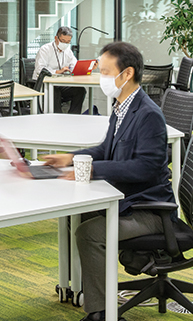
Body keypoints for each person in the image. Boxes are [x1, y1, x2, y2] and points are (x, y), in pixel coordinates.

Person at [43, 42, 174, 321]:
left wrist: (91, 170)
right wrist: (71, 158)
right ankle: (88, 290)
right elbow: (106, 149)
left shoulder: (148, 114)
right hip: (127, 199)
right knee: (76, 215)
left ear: (127, 74)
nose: (100, 77)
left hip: (149, 209)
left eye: (105, 72)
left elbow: (146, 168)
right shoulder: (121, 107)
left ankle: (103, 313)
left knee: (89, 233)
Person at [34, 26, 86, 113]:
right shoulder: (45, 49)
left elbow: (74, 65)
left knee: (80, 90)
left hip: (60, 84)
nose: (65, 44)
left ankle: (73, 117)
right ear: (56, 38)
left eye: (68, 42)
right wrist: (57, 72)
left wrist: (84, 68)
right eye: (63, 41)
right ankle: (57, 118)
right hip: (44, 84)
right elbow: (40, 69)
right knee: (55, 91)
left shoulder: (68, 51)